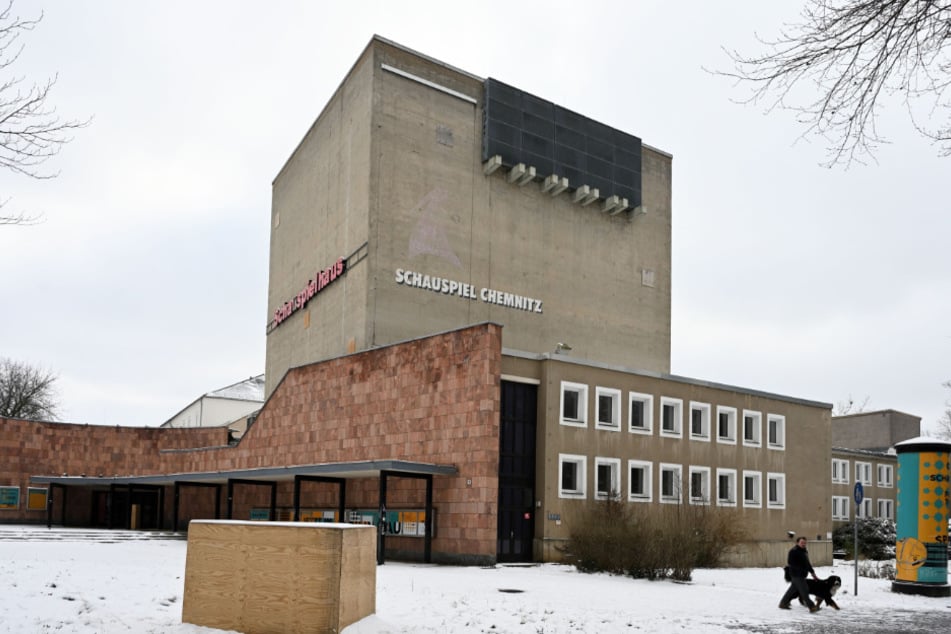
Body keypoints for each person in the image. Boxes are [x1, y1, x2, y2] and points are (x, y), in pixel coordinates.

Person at [779, 536, 821, 612]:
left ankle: (783, 603)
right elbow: (790, 563)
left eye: (805, 543)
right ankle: (812, 607)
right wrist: (801, 569)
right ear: (797, 542)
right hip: (797, 575)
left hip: (801, 575)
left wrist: (812, 573)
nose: (803, 544)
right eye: (802, 542)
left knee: (792, 590)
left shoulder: (804, 551)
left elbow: (807, 563)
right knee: (804, 590)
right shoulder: (793, 551)